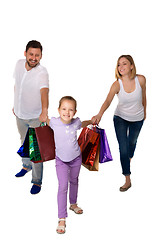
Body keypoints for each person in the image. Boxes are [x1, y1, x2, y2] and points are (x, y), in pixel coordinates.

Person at [92, 55, 146, 192]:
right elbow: (108, 101)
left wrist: (145, 112)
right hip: (120, 118)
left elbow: (144, 96)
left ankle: (127, 159)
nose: (121, 67)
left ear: (132, 66)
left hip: (137, 119)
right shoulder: (117, 84)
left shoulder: (141, 79)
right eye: (118, 65)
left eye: (124, 64)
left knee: (131, 145)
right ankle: (127, 179)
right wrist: (99, 114)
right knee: (123, 148)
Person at [47, 96, 93, 234]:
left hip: (76, 158)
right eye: (64, 109)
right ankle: (62, 217)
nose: (67, 112)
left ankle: (73, 204)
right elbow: (43, 119)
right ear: (58, 110)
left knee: (74, 181)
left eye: (71, 110)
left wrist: (92, 120)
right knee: (62, 186)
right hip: (61, 160)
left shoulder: (76, 122)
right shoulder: (54, 122)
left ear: (75, 112)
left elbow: (83, 124)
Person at [13, 40, 49, 194]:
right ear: (25, 53)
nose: (34, 58)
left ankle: (37, 181)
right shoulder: (19, 64)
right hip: (20, 114)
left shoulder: (42, 72)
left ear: (41, 56)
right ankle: (26, 166)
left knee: (35, 149)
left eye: (37, 55)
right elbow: (17, 85)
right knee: (24, 141)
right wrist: (16, 104)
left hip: (35, 117)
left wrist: (44, 111)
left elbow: (44, 92)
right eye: (31, 54)